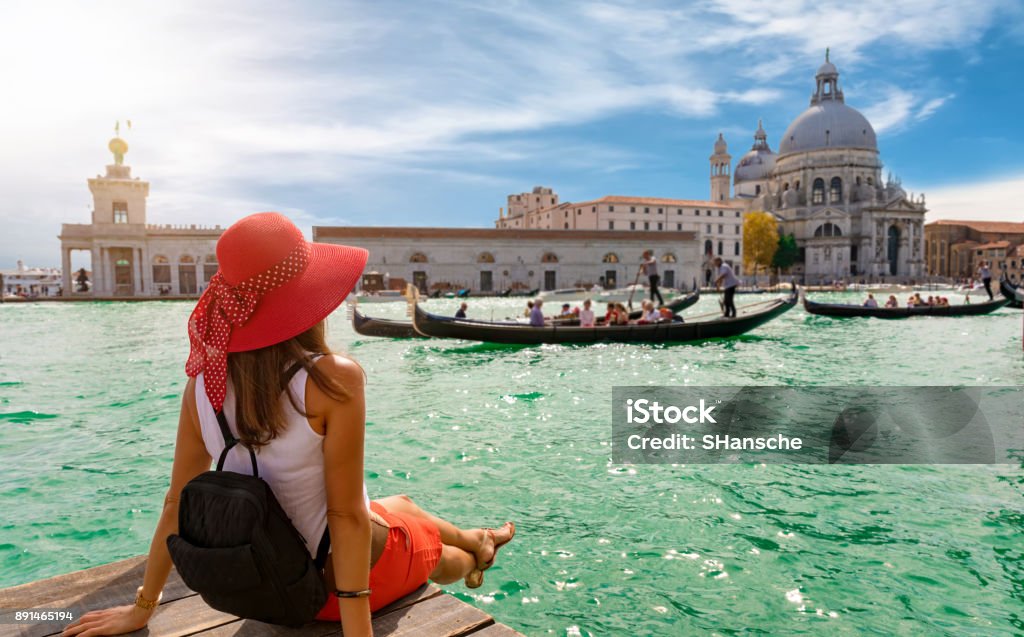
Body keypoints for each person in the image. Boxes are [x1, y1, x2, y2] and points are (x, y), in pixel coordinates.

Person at [63, 213, 514, 637]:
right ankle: (475, 555)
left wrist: (142, 608)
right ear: (305, 299)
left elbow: (175, 502)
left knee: (402, 504)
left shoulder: (201, 386)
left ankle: (479, 536)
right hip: (328, 592)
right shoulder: (331, 378)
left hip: (263, 584)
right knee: (436, 549)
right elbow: (346, 517)